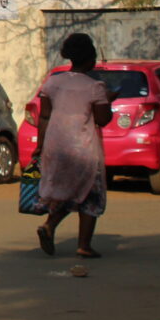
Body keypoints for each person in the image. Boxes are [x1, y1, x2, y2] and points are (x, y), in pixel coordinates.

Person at [32, 32, 112, 258]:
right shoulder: (94, 86)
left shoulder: (52, 82)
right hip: (83, 147)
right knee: (89, 194)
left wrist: (40, 145)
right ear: (91, 58)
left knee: (65, 191)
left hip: (55, 145)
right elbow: (103, 119)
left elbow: (44, 116)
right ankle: (84, 245)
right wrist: (109, 99)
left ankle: (49, 225)